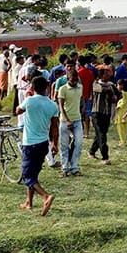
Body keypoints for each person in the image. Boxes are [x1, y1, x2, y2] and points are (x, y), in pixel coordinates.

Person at [15, 76, 58, 216]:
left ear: (32, 87)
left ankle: (46, 197)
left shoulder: (29, 101)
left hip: (29, 143)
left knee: (27, 175)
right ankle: (29, 202)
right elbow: (55, 127)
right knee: (34, 174)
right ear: (46, 87)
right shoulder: (52, 105)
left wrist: (28, 96)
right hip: (43, 143)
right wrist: (54, 144)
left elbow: (17, 111)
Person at [55, 63, 85, 177]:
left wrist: (82, 108)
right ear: (68, 79)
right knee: (64, 145)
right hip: (65, 120)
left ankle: (74, 167)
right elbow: (61, 106)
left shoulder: (80, 87)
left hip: (77, 119)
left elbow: (81, 98)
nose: (74, 82)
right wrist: (67, 120)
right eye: (72, 80)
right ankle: (64, 168)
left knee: (78, 143)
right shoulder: (63, 89)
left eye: (76, 80)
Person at [88, 68, 118, 165]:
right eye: (106, 74)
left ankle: (91, 152)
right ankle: (105, 156)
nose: (108, 75)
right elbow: (101, 90)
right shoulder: (96, 84)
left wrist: (114, 96)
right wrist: (110, 91)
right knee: (101, 134)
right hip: (96, 113)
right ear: (101, 76)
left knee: (101, 134)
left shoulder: (111, 85)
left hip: (107, 113)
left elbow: (118, 95)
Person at [115, 79, 127, 147]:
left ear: (121, 85)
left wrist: (119, 106)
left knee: (121, 127)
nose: (117, 86)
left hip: (122, 112)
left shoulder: (124, 93)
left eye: (118, 85)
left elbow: (124, 102)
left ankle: (123, 141)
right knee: (123, 128)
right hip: (124, 111)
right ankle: (122, 140)